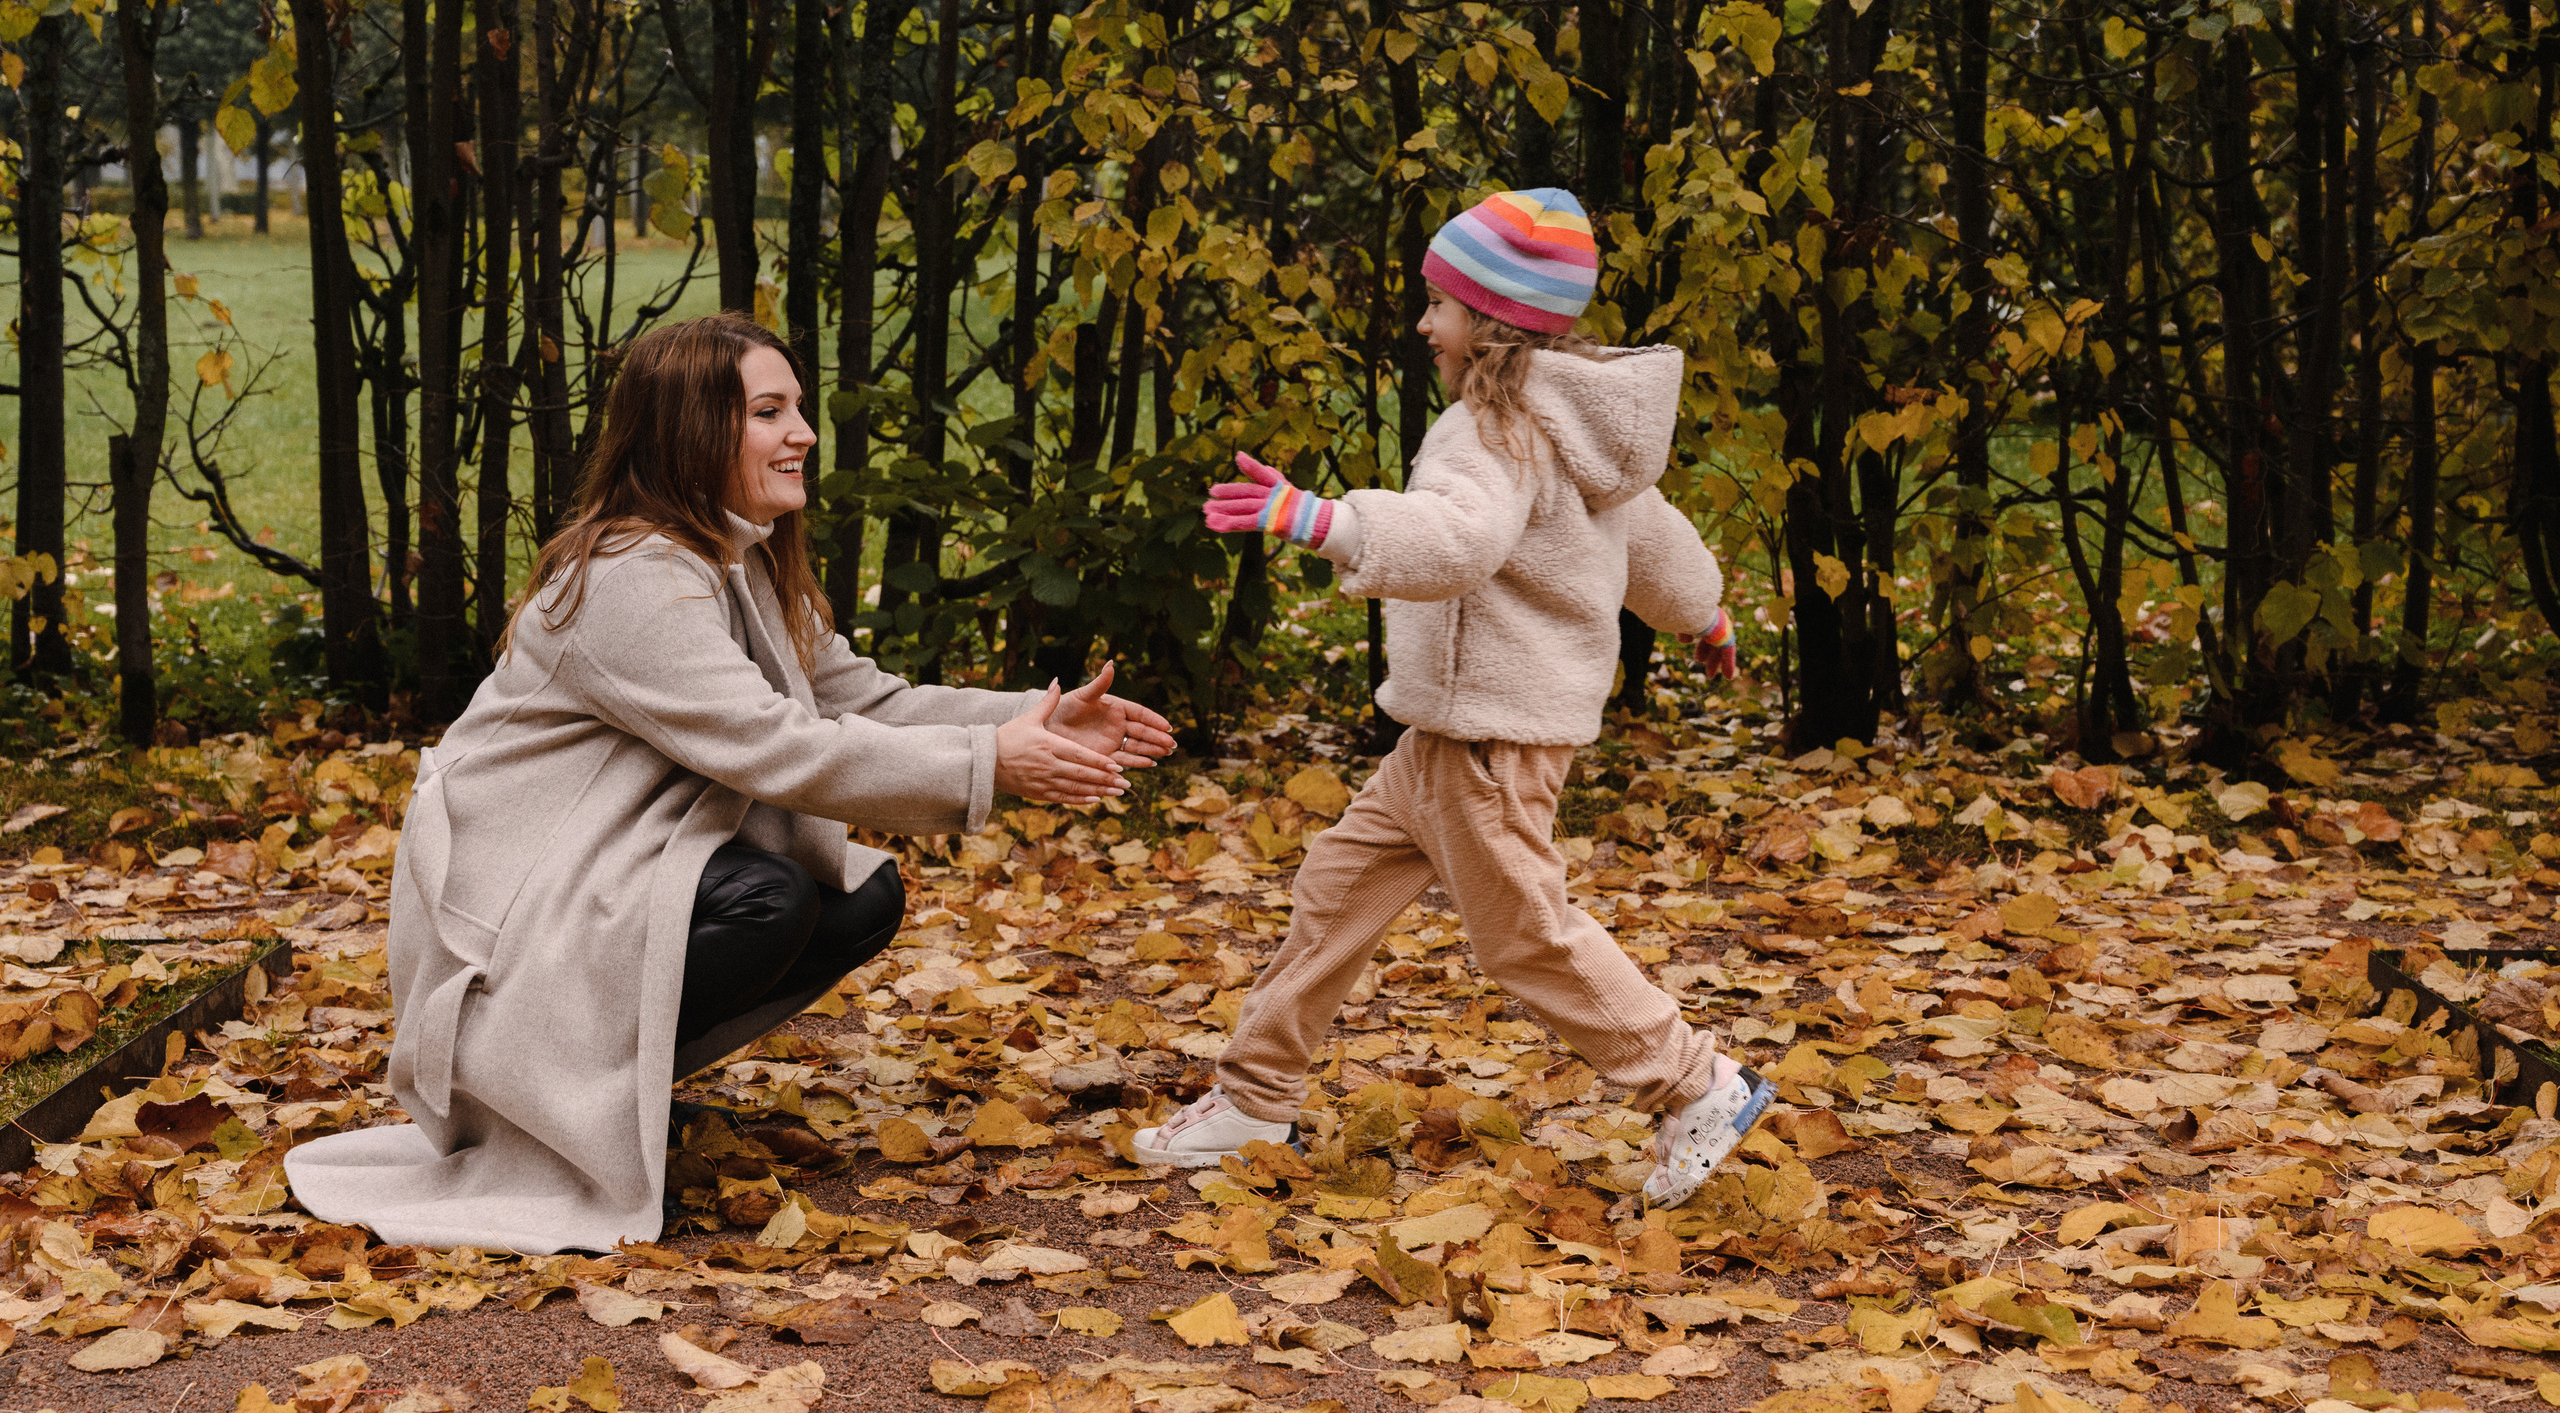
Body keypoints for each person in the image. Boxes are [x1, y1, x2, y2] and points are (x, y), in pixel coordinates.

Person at [286, 313, 1174, 1252]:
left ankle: (597, 1099)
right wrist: (992, 765)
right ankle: (541, 1106)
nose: (803, 434)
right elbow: (779, 748)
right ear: (690, 432)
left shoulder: (734, 559)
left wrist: (1023, 718)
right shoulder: (633, 577)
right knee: (772, 899)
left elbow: (861, 697)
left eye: (799, 408)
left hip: (598, 878)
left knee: (855, 895)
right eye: (769, 412)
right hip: (509, 914)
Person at [1135, 188, 1760, 1208]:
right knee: (1333, 895)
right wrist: (1707, 616)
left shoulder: (1489, 429)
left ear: (1494, 322)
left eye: (1441, 305)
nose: (1425, 323)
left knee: (1525, 936)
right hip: (1442, 739)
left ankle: (1694, 1083)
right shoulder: (1569, 427)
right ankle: (1254, 1098)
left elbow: (1455, 543)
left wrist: (1322, 520)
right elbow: (1655, 544)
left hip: (1490, 742)